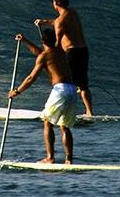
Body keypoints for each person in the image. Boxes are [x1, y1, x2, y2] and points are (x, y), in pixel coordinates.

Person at [9, 28, 80, 164]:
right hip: (72, 90)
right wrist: (25, 41)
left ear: (42, 41)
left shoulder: (44, 56)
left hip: (60, 91)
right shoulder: (60, 51)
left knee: (47, 122)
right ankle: (69, 159)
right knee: (64, 126)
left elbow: (31, 78)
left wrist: (17, 91)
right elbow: (41, 53)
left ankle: (50, 158)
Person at [35, 0, 94, 116]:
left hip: (72, 53)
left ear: (55, 3)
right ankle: (89, 112)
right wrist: (44, 21)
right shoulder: (72, 13)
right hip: (83, 50)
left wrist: (52, 53)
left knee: (64, 82)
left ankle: (61, 110)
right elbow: (58, 22)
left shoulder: (60, 21)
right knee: (83, 85)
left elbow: (57, 38)